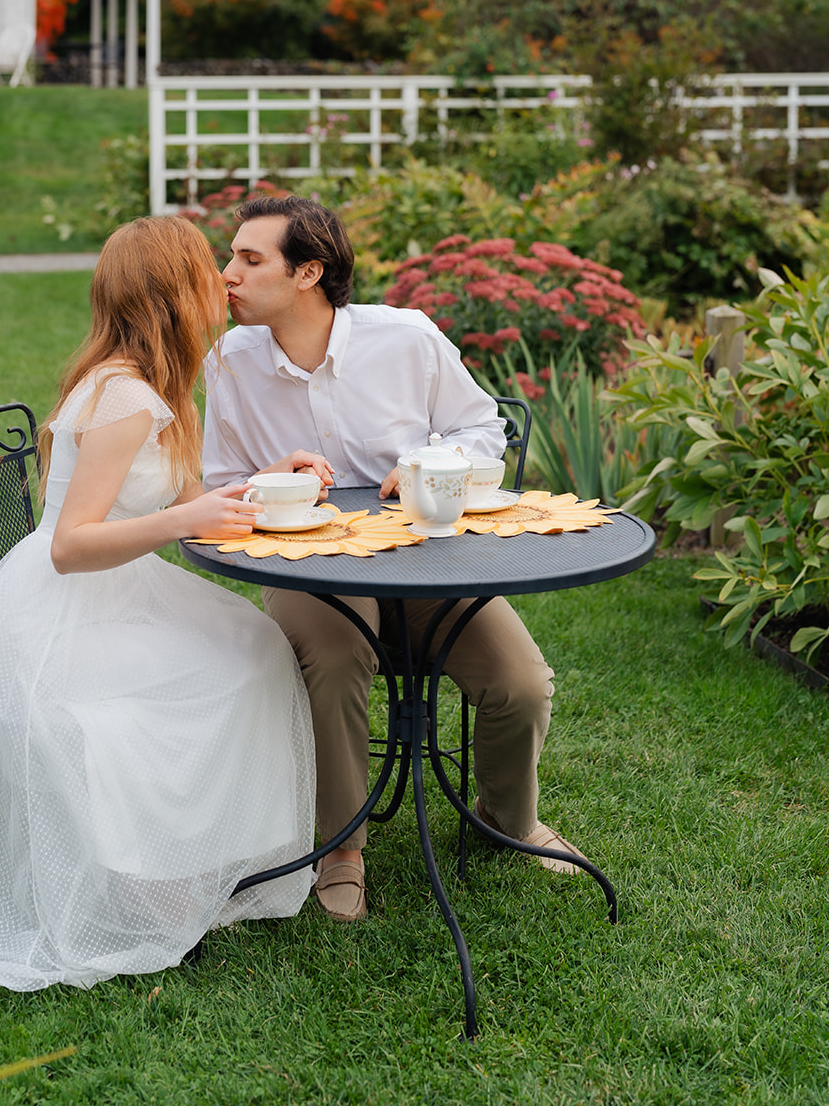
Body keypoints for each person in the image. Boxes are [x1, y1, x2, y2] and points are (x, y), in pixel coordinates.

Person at [0, 216, 316, 991]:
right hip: (61, 608)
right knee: (169, 699)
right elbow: (70, 544)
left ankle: (195, 855)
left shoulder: (158, 387)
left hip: (119, 591)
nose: (221, 282)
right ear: (170, 296)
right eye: (204, 273)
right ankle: (153, 875)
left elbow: (190, 497)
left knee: (255, 650)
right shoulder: (121, 397)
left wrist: (264, 480)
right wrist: (184, 521)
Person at [202, 194, 588, 925]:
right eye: (233, 256)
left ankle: (509, 819)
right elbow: (217, 481)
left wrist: (425, 460)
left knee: (519, 682)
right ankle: (340, 849)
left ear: (308, 273)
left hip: (423, 556)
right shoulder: (230, 360)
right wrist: (269, 481)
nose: (228, 273)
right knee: (337, 656)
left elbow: (481, 428)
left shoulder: (406, 338)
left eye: (249, 259)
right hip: (305, 565)